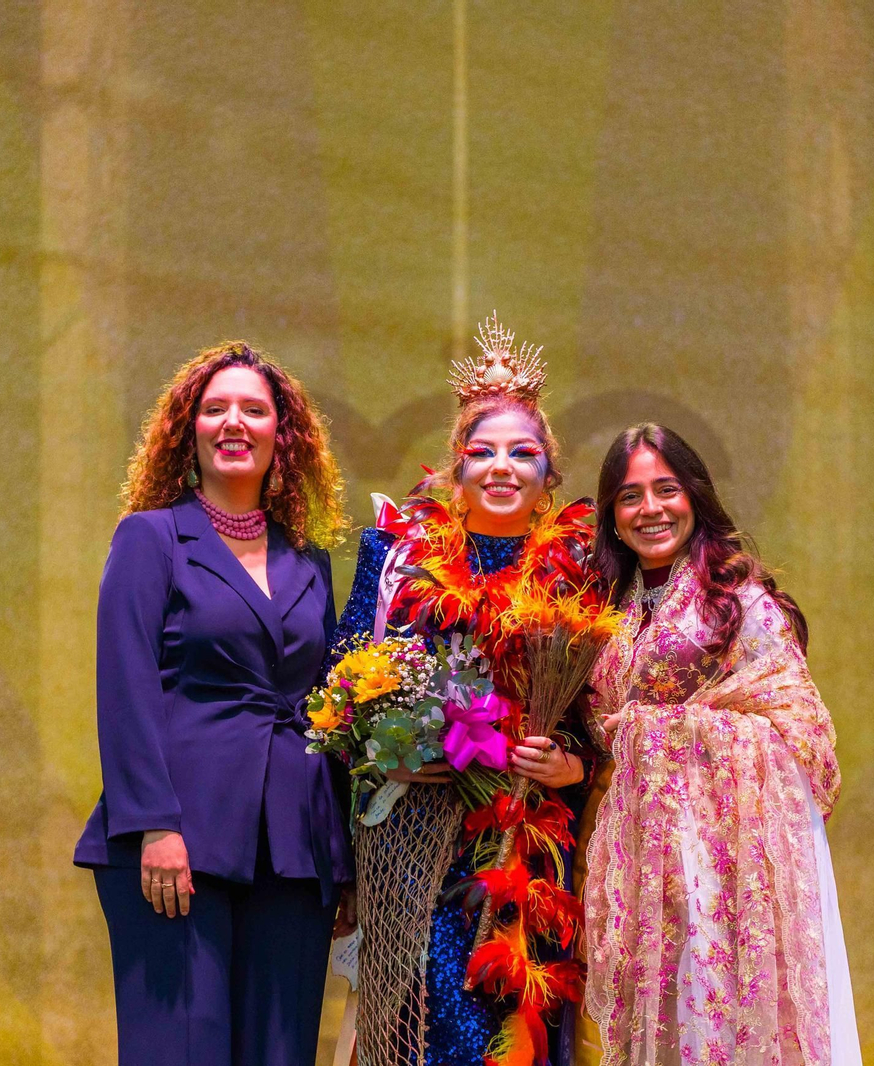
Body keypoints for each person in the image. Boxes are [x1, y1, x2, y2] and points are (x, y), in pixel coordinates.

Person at [73, 341, 356, 1066]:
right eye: (216, 408)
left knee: (282, 1054)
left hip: (294, 848)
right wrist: (153, 827)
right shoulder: (150, 539)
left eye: (254, 410)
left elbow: (327, 707)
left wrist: (339, 856)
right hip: (177, 844)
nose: (235, 422)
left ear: (281, 436)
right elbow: (126, 689)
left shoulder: (310, 557)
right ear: (188, 429)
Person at [335, 313, 594, 1066]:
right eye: (482, 452)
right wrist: (388, 745)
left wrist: (570, 764)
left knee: (512, 1029)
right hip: (414, 843)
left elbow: (602, 716)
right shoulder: (395, 558)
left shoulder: (579, 573)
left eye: (524, 452)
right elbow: (345, 684)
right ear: (455, 469)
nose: (502, 467)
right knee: (417, 1025)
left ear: (550, 474)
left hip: (524, 842)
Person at [582, 423, 862, 1066]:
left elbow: (797, 732)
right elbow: (600, 737)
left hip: (724, 874)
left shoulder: (737, 600)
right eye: (629, 496)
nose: (649, 509)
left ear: (695, 496)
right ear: (612, 515)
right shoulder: (608, 609)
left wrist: (651, 731)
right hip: (639, 873)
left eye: (666, 489)